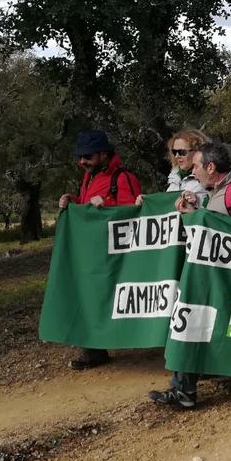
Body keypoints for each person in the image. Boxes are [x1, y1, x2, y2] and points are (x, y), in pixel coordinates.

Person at [148, 142, 231, 408]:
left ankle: (185, 389)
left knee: (194, 324)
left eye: (197, 166)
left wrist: (206, 219)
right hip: (216, 277)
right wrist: (196, 214)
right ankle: (183, 387)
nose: (194, 173)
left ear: (211, 167)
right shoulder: (214, 193)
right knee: (192, 325)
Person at [58, 129, 142, 370]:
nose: (81, 162)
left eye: (88, 157)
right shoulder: (89, 177)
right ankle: (94, 350)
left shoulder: (124, 178)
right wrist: (72, 203)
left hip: (118, 257)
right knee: (89, 296)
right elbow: (88, 209)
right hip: (93, 254)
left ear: (104, 154)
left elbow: (136, 215)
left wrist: (107, 207)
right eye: (80, 157)